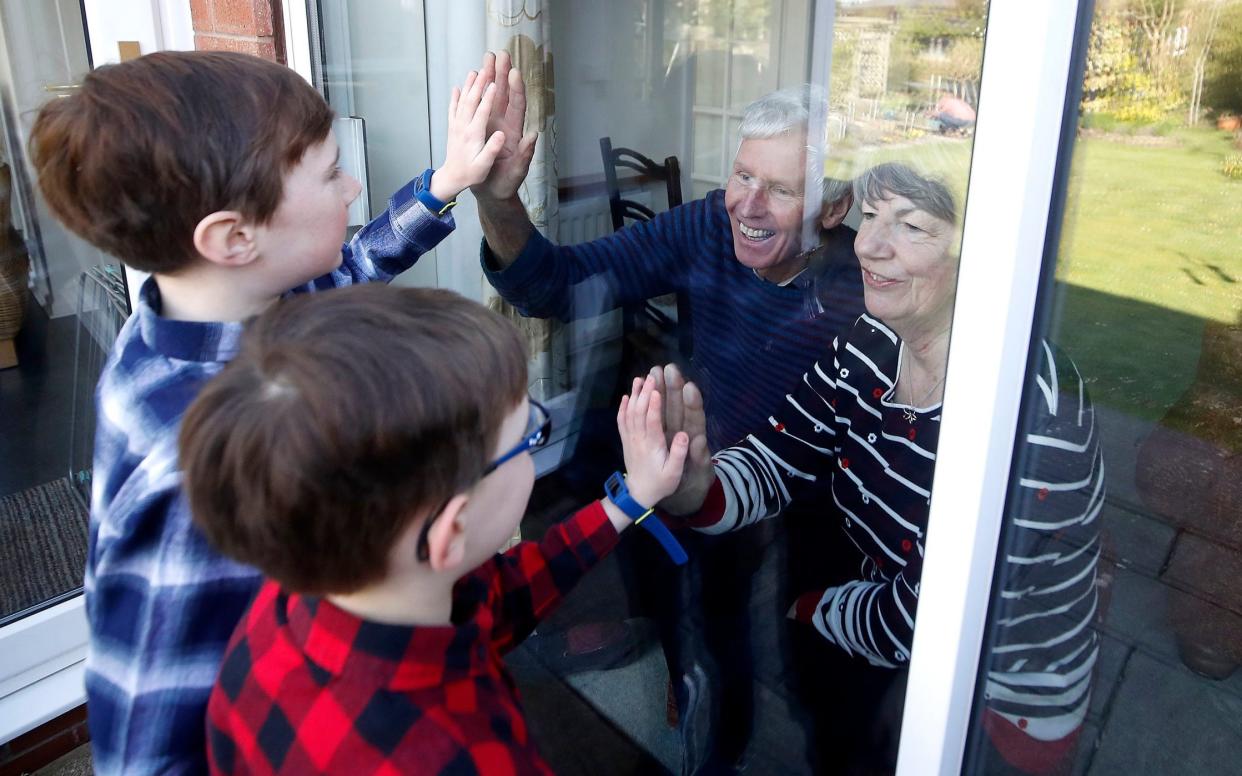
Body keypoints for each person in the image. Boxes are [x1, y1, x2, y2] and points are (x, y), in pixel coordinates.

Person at [29, 51, 506, 774]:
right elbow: (146, 731)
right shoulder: (203, 456)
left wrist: (446, 186)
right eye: (329, 174)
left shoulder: (220, 303)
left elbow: (347, 272)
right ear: (233, 237)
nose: (351, 187)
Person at [662, 161, 1105, 774]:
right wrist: (696, 488)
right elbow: (780, 453)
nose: (867, 244)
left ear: (981, 253)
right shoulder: (871, 338)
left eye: (911, 226)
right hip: (884, 629)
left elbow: (925, 617)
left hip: (1001, 703)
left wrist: (818, 609)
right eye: (870, 215)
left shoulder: (1031, 427)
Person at [178, 285, 688, 775]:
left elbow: (499, 594)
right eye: (529, 436)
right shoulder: (464, 757)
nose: (537, 438)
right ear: (452, 529)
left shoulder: (284, 608)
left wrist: (630, 499)